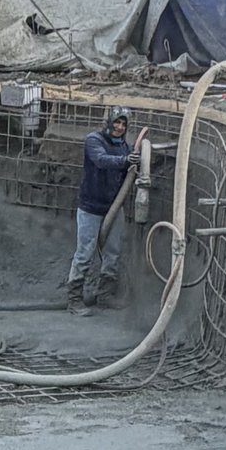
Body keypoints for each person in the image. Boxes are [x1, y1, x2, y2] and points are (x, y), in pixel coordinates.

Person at [67, 105, 143, 308]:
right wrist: (125, 160)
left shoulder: (124, 147)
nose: (119, 127)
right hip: (90, 207)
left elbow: (128, 165)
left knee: (113, 253)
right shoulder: (94, 140)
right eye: (117, 122)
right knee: (84, 254)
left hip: (113, 209)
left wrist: (135, 161)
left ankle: (105, 295)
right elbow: (101, 160)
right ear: (108, 122)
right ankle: (74, 300)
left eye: (123, 124)